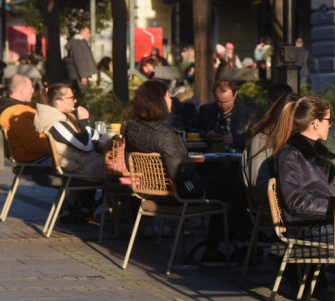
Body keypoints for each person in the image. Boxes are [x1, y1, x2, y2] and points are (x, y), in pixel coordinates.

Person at [123, 79, 227, 262]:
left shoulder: (132, 128)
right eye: (169, 97)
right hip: (175, 195)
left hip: (149, 191)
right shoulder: (165, 134)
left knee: (226, 181)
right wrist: (192, 167)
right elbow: (178, 173)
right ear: (159, 101)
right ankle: (214, 250)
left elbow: (128, 161)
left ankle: (239, 234)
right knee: (228, 190)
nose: (173, 101)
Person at [34, 83, 103, 216]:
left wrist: (88, 131)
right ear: (59, 102)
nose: (75, 101)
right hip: (80, 166)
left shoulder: (63, 119)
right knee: (118, 169)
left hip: (83, 163)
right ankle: (119, 213)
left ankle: (84, 207)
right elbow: (87, 146)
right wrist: (84, 122)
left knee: (116, 164)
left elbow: (86, 138)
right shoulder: (56, 124)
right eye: (71, 97)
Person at [274, 96, 335, 227]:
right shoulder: (289, 155)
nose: (330, 125)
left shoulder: (318, 155)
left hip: (327, 222)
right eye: (329, 120)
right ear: (317, 123)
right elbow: (295, 202)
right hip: (308, 227)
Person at [242, 93, 300, 207]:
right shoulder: (262, 139)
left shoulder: (298, 137)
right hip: (275, 207)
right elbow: (259, 189)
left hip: (295, 203)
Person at [0, 75, 50, 163]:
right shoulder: (19, 112)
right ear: (22, 91)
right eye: (31, 87)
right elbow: (33, 144)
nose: (33, 91)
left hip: (27, 156)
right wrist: (56, 147)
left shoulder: (7, 108)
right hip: (33, 157)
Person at [189, 79, 256, 151]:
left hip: (237, 159)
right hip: (210, 157)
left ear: (235, 95)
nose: (223, 106)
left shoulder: (248, 114)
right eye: (219, 102)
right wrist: (206, 135)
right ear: (214, 96)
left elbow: (256, 141)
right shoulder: (206, 111)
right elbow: (189, 128)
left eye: (227, 102)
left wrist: (234, 141)